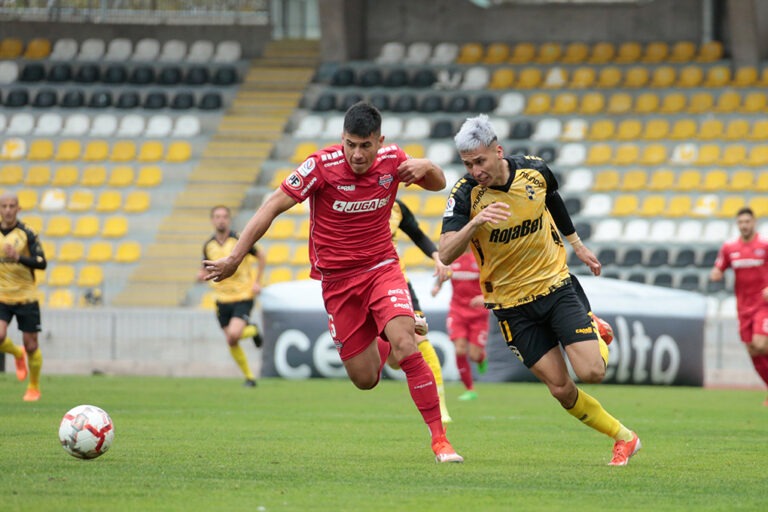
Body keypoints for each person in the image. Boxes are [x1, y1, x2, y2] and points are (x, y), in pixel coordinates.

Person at [203, 102, 463, 463]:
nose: (357, 154)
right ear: (342, 139)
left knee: (407, 342)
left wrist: (429, 167)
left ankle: (440, 440)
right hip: (338, 282)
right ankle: (384, 334)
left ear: (379, 141)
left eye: (365, 145)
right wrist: (234, 257)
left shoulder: (393, 160)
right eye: (350, 144)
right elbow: (272, 205)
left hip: (381, 267)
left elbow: (437, 184)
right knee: (365, 379)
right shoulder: (320, 167)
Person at [438, 114, 640, 466]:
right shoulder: (465, 194)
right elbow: (445, 252)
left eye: (481, 161)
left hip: (554, 286)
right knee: (561, 389)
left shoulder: (535, 171)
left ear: (497, 151)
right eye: (468, 164)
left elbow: (554, 200)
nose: (475, 170)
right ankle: (624, 438)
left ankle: (595, 328)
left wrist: (577, 244)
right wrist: (475, 223)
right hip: (511, 307)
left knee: (592, 371)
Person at [387, 198, 452, 423]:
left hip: (399, 284)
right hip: (365, 286)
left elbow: (417, 234)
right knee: (393, 360)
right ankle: (388, 347)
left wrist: (437, 258)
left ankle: (440, 406)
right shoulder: (355, 202)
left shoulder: (396, 206)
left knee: (419, 336)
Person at [198, 205, 266, 387]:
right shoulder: (208, 245)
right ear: (212, 220)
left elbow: (261, 255)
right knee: (231, 340)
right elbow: (206, 267)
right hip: (221, 300)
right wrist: (201, 275)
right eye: (217, 216)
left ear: (229, 219)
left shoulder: (238, 240)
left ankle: (254, 331)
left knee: (234, 334)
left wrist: (257, 281)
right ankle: (249, 377)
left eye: (224, 216)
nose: (221, 220)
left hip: (243, 295)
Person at [709, 207, 768, 405]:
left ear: (754, 223)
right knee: (752, 349)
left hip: (763, 304)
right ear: (737, 224)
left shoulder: (764, 245)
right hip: (743, 307)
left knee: (761, 344)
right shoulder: (729, 248)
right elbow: (719, 267)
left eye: (747, 222)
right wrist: (716, 274)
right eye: (740, 222)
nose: (744, 225)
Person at [0, 192, 46, 401]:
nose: (8, 210)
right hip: (2, 296)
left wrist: (19, 257)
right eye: (4, 206)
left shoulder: (27, 233)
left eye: (12, 206)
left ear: (18, 208)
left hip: (26, 297)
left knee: (32, 346)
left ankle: (34, 387)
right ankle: (17, 354)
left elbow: (41, 262)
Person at [431, 245, 490, 401]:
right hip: (457, 312)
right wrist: (437, 287)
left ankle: (481, 358)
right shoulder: (452, 259)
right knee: (459, 350)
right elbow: (443, 274)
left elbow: (492, 281)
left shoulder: (480, 259)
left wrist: (485, 297)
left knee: (474, 355)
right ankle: (469, 389)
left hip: (478, 314)